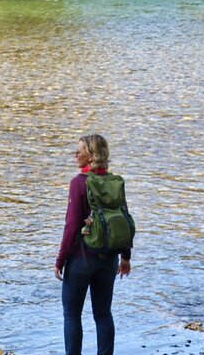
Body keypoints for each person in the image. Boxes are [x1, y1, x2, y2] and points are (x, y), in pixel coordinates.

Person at [55, 134, 132, 355]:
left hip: (81, 259)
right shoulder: (114, 182)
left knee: (71, 315)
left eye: (79, 150)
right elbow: (123, 219)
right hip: (108, 260)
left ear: (90, 155)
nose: (75, 154)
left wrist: (60, 260)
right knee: (103, 315)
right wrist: (125, 257)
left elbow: (71, 227)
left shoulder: (79, 183)